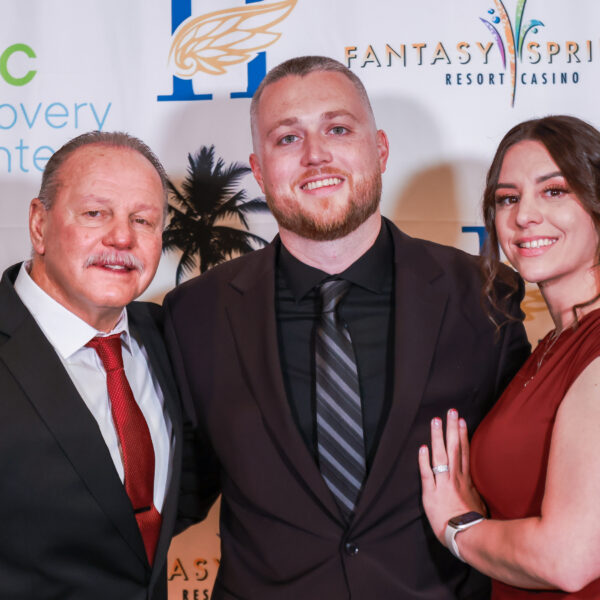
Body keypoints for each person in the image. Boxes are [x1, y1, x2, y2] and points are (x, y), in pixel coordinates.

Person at [165, 56, 530, 599]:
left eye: (338, 129)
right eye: (288, 138)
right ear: (259, 170)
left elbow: (524, 473)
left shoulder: (482, 295)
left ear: (379, 150)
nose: (315, 155)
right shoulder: (195, 313)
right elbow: (171, 495)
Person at [418, 115, 600, 598]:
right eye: (508, 198)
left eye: (554, 191)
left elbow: (566, 560)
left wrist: (458, 528)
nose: (524, 216)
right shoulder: (550, 346)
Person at [0, 131, 183, 599]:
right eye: (95, 213)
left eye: (143, 220)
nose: (122, 237)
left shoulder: (173, 338)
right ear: (39, 224)